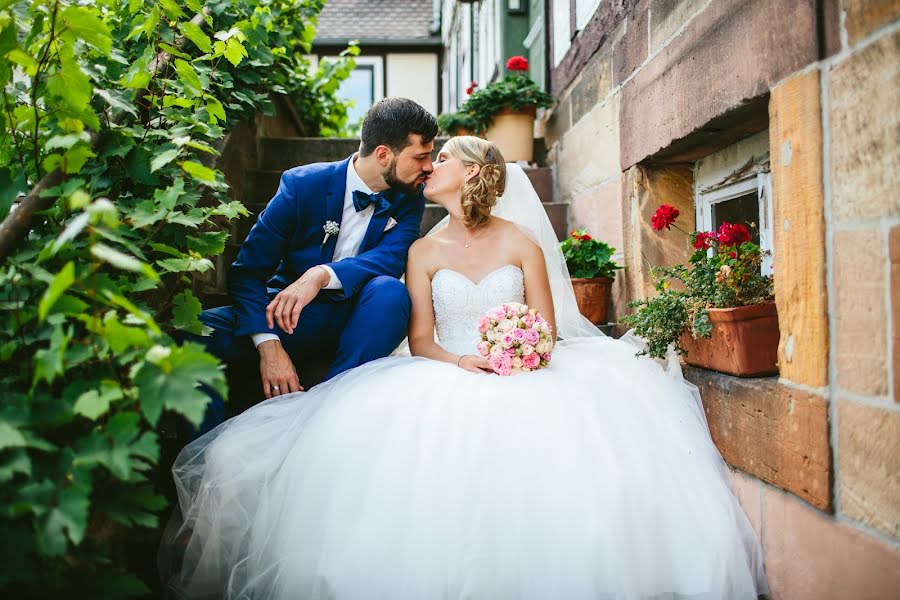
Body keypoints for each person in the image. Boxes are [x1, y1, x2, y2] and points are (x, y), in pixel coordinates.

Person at [161, 137, 769, 599]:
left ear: (472, 173)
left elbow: (548, 332)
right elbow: (421, 338)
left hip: (525, 374)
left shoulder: (522, 244)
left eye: (442, 158)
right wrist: (463, 360)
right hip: (446, 369)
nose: (430, 168)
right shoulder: (421, 249)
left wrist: (519, 355)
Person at [191, 98, 437, 432]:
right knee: (193, 335)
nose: (429, 167)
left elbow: (391, 258)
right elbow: (247, 271)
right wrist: (268, 345)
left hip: (357, 321)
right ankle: (209, 459)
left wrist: (321, 275)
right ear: (383, 154)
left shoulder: (409, 198)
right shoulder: (303, 185)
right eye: (421, 156)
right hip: (289, 317)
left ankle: (327, 412)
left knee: (391, 292)